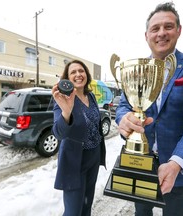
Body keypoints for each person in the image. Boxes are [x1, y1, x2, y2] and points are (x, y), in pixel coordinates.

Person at [115, 2, 183, 216]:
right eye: (155, 28)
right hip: (139, 164)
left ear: (179, 30)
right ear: (146, 35)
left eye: (168, 26)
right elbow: (125, 104)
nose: (161, 33)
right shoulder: (136, 69)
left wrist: (176, 163)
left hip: (178, 170)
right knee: (141, 213)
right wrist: (122, 118)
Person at [51, 59, 106, 216]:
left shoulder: (91, 96)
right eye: (73, 72)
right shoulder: (62, 100)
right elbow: (58, 133)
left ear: (86, 74)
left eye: (81, 71)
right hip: (74, 162)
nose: (78, 74)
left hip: (93, 157)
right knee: (73, 211)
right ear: (67, 79)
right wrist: (66, 112)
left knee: (87, 205)